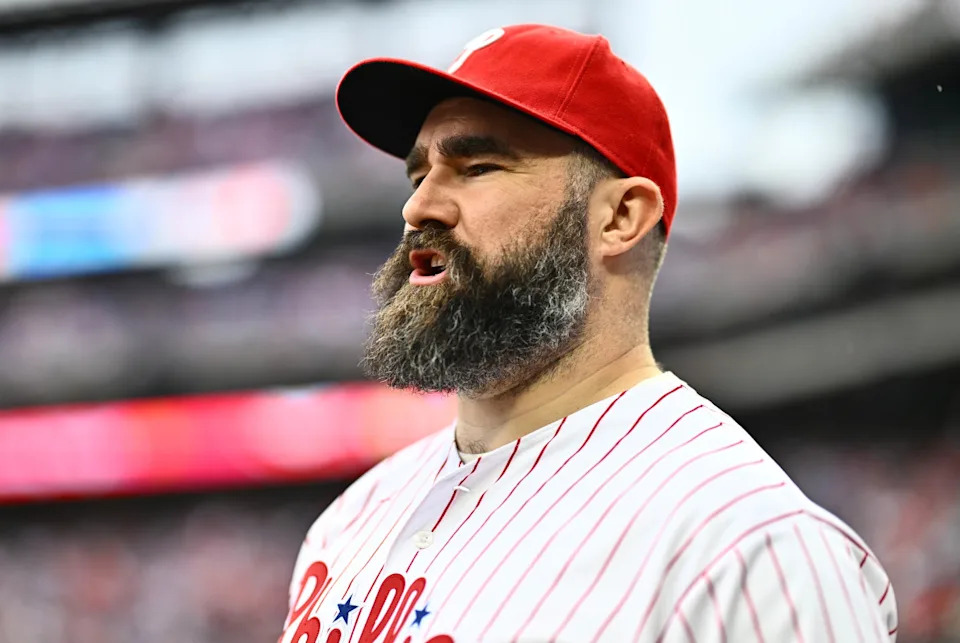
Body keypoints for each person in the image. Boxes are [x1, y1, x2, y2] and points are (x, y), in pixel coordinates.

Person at [279, 24, 898, 643]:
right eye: (419, 176)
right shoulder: (349, 522)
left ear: (621, 217)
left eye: (478, 166)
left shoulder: (746, 549)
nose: (419, 208)